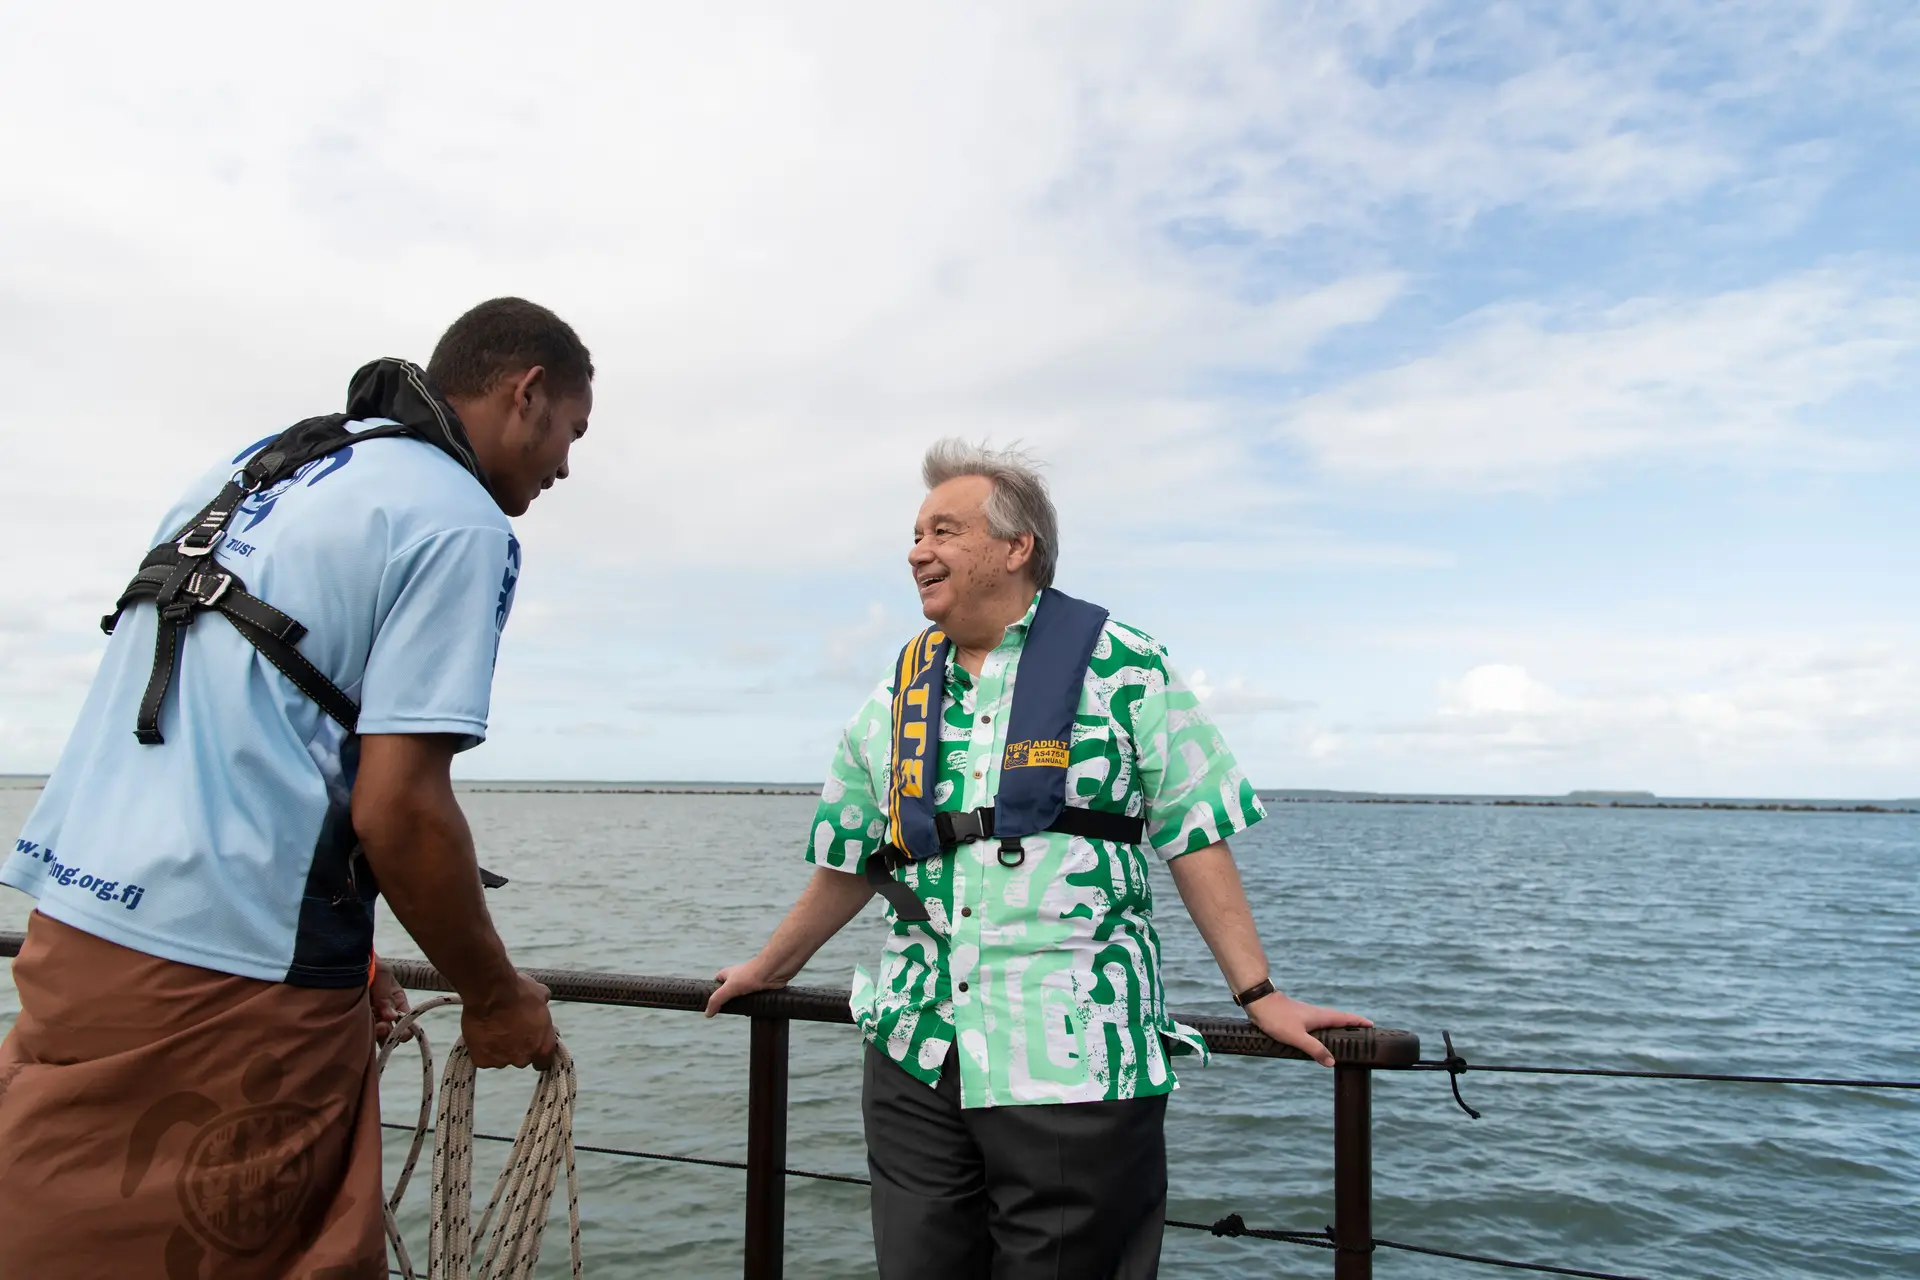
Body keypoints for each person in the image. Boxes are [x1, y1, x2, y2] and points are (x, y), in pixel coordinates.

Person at [0, 298, 593, 1280]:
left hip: (78, 927)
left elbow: (231, 722)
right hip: (234, 985)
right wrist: (493, 997)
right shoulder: (459, 518)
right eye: (571, 432)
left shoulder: (264, 464)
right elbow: (399, 804)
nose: (566, 466)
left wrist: (353, 954)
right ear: (525, 394)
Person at [707, 439, 1371, 1279]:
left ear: (1017, 548)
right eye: (914, 534)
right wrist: (768, 967)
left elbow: (1194, 831)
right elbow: (851, 860)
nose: (917, 551)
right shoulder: (894, 695)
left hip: (1076, 1056)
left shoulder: (1126, 666)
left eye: (943, 530)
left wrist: (1260, 995)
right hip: (918, 1051)